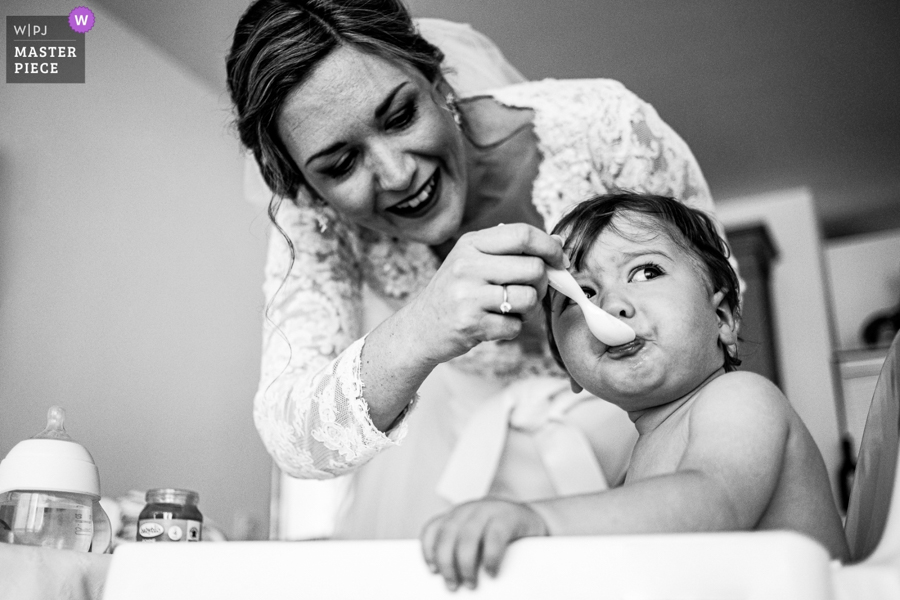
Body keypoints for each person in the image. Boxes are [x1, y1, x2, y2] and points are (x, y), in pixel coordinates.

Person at [227, 0, 728, 539]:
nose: (396, 174)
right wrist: (422, 327)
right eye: (341, 165)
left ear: (437, 79)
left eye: (400, 116)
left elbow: (713, 300)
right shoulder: (316, 220)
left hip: (654, 448)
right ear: (307, 187)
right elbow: (291, 438)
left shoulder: (605, 130)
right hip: (467, 471)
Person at [420, 193, 850, 591]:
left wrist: (541, 519)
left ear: (721, 318)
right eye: (581, 294)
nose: (612, 305)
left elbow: (714, 503)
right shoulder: (638, 462)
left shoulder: (740, 398)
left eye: (646, 272)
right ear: (569, 371)